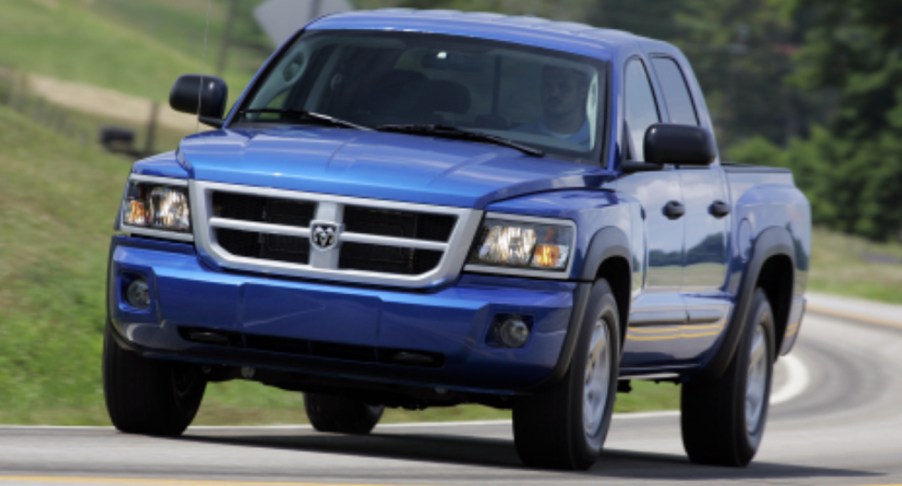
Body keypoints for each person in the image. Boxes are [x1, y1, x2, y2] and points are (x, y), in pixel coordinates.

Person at [519, 64, 592, 146]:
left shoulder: (600, 142)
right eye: (548, 85)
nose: (554, 93)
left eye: (563, 86)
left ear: (583, 93)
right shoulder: (518, 139)